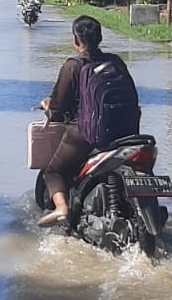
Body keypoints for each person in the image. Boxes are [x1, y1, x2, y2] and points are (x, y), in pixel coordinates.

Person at [37, 15, 139, 227]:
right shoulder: (116, 62)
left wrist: (48, 106)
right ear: (100, 38)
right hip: (126, 134)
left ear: (76, 40)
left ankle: (62, 208)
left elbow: (57, 110)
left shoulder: (73, 67)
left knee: (53, 171)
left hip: (85, 135)